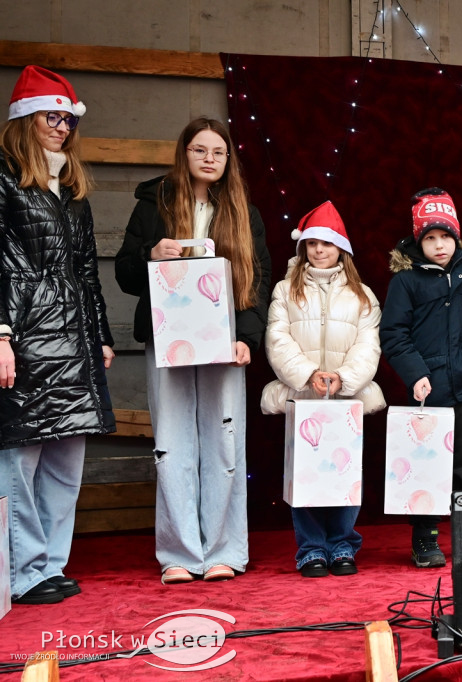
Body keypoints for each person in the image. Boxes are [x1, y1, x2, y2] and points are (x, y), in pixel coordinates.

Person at [115, 117, 271, 583]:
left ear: (228, 160)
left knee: (224, 441)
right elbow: (123, 274)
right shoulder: (152, 203)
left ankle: (224, 550)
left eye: (218, 152)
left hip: (225, 341)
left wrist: (247, 337)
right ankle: (180, 554)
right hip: (168, 340)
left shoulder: (245, 210)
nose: (209, 158)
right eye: (199, 149)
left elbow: (255, 280)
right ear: (184, 154)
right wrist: (151, 254)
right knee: (173, 443)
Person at [0, 66, 115, 605]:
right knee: (20, 460)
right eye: (53, 116)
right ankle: (21, 573)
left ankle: (48, 566)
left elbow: (88, 271)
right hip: (22, 337)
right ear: (26, 120)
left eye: (69, 118)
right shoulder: (2, 180)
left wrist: (102, 337)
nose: (63, 126)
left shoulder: (73, 191)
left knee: (67, 460)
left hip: (74, 342)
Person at [260, 200, 385, 578]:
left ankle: (342, 542)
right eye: (311, 243)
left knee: (344, 475)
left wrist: (343, 378)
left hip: (346, 401)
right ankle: (312, 547)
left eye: (326, 244)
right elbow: (277, 338)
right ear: (303, 248)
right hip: (304, 398)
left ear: (341, 250)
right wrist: (309, 372)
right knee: (308, 475)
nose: (318, 250)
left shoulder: (363, 296)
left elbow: (369, 345)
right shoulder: (286, 290)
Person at [380, 188, 462, 568]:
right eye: (430, 238)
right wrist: (416, 374)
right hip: (427, 385)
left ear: (456, 237)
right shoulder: (405, 281)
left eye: (446, 237)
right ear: (417, 240)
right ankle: (425, 540)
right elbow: (393, 334)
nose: (440, 245)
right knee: (427, 463)